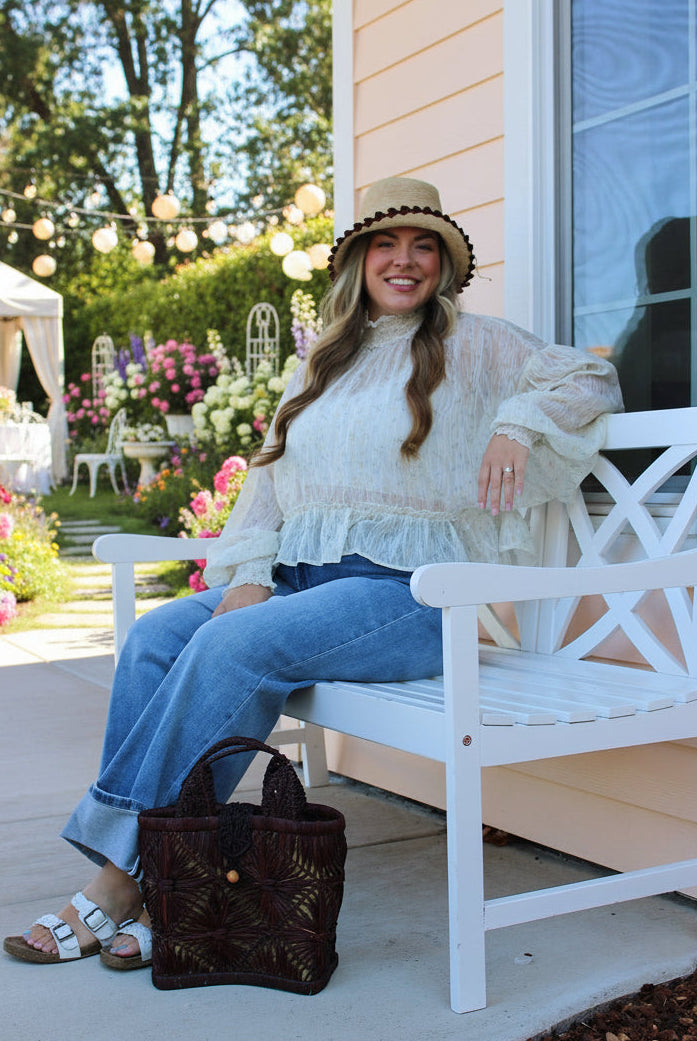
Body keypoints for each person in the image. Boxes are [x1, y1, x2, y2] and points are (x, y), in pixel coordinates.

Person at [3, 175, 623, 969]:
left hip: (408, 593)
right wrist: (249, 571)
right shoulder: (323, 363)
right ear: (358, 261)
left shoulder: (482, 344)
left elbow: (590, 377)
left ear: (443, 263)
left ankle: (125, 879)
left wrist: (515, 422)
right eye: (386, 244)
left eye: (423, 245)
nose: (405, 260)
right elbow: (268, 480)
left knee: (234, 648)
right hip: (299, 580)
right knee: (159, 637)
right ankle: (162, 872)